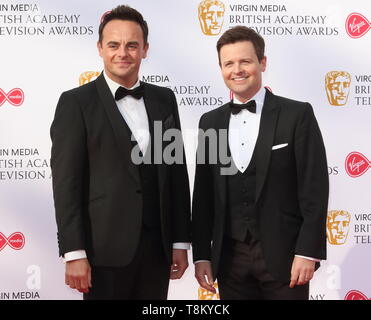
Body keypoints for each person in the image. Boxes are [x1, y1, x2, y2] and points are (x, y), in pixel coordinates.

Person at [50, 5, 191, 300]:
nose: (122, 53)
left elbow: (175, 174)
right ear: (100, 48)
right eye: (113, 45)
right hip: (102, 254)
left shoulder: (165, 99)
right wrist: (74, 252)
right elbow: (67, 184)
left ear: (145, 50)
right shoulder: (76, 103)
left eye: (132, 45)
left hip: (157, 251)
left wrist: (180, 242)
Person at [192, 26, 329, 300]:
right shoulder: (210, 122)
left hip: (286, 258)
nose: (237, 70)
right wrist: (202, 256)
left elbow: (314, 189)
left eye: (245, 61)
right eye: (228, 63)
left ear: (262, 62)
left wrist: (307, 252)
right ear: (220, 68)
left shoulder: (297, 115)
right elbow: (204, 194)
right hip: (230, 261)